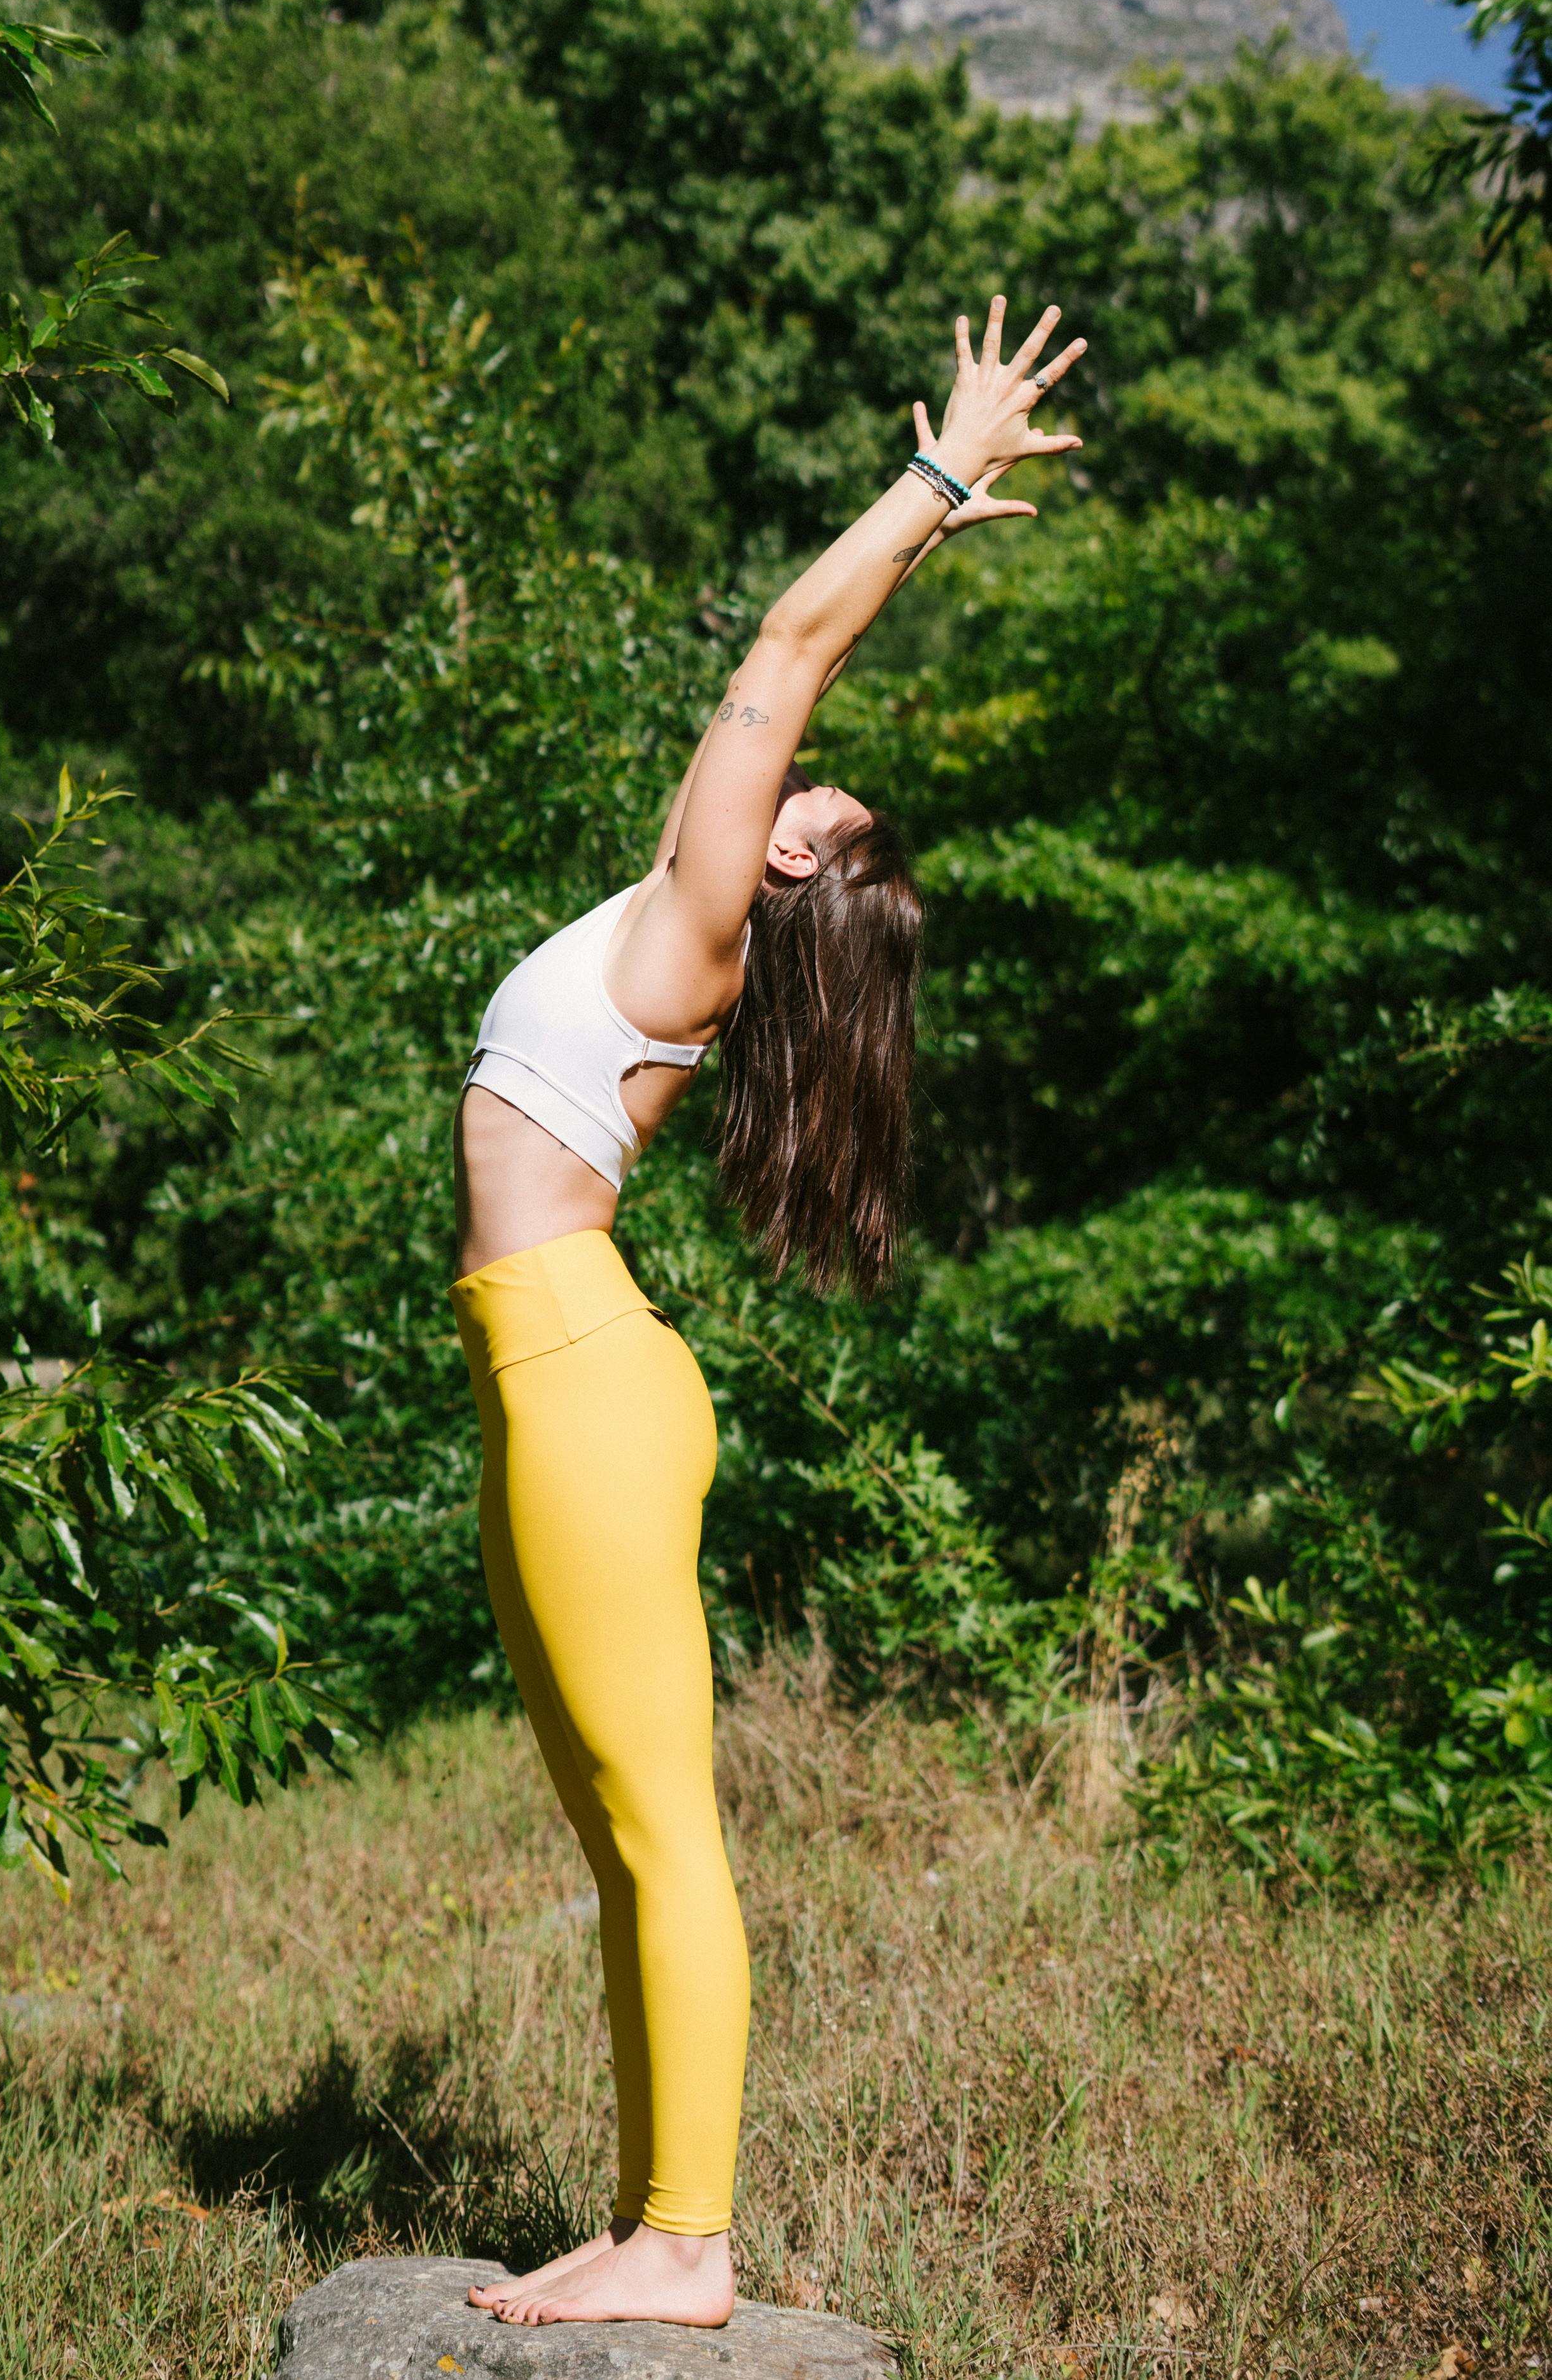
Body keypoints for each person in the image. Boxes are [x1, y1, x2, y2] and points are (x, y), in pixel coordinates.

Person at [451, 295, 1087, 2328]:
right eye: (809, 794)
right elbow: (771, 698)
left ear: (799, 884)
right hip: (549, 1373)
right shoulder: (676, 908)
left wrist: (928, 479)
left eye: (831, 821)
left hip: (583, 1379)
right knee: (612, 1821)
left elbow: (782, 653)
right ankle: (652, 2218)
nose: (812, 790)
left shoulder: (708, 917)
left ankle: (693, 2248)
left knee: (659, 1819)